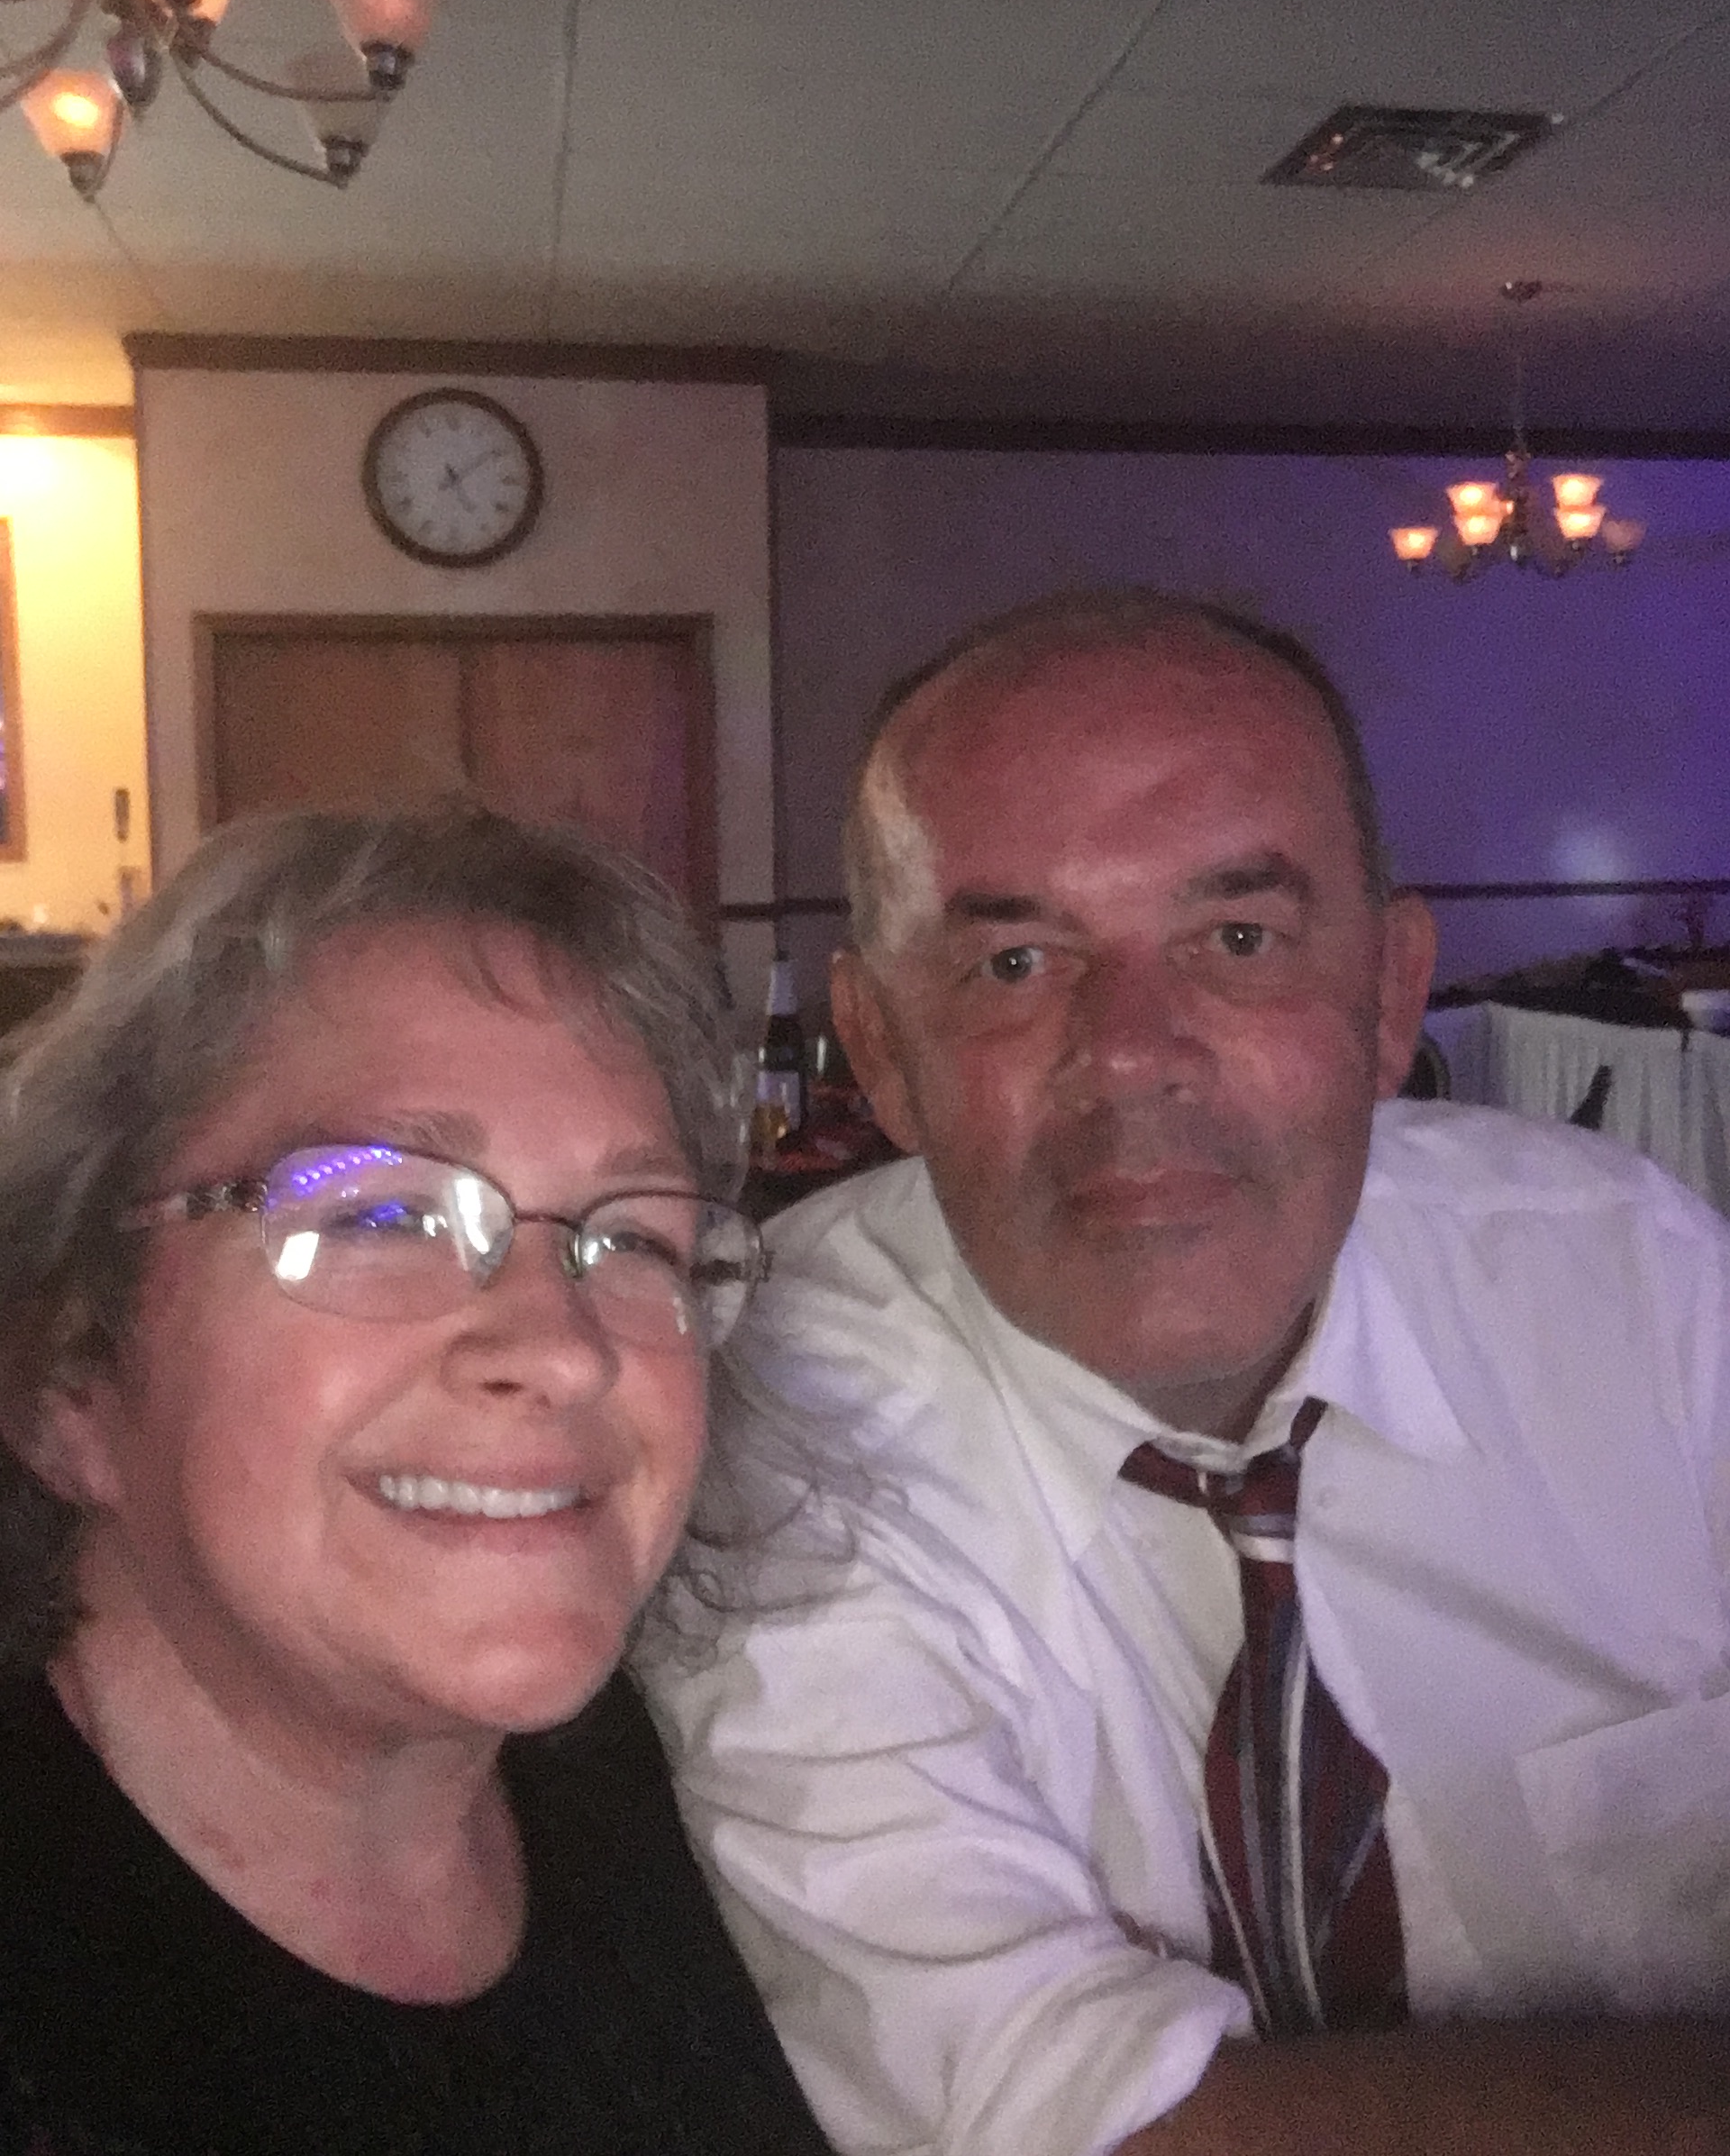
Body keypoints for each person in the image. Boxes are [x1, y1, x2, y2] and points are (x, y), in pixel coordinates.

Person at [642, 592, 1730, 2156]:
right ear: (878, 1053)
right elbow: (1071, 2124)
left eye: (1237, 940)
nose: (1133, 1050)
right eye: (1017, 960)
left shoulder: (1635, 1284)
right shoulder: (773, 1427)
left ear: (1388, 998)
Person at [0, 804, 832, 2156]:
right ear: (72, 1373)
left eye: (632, 1241)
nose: (559, 1350)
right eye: (383, 1213)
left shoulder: (659, 1782)